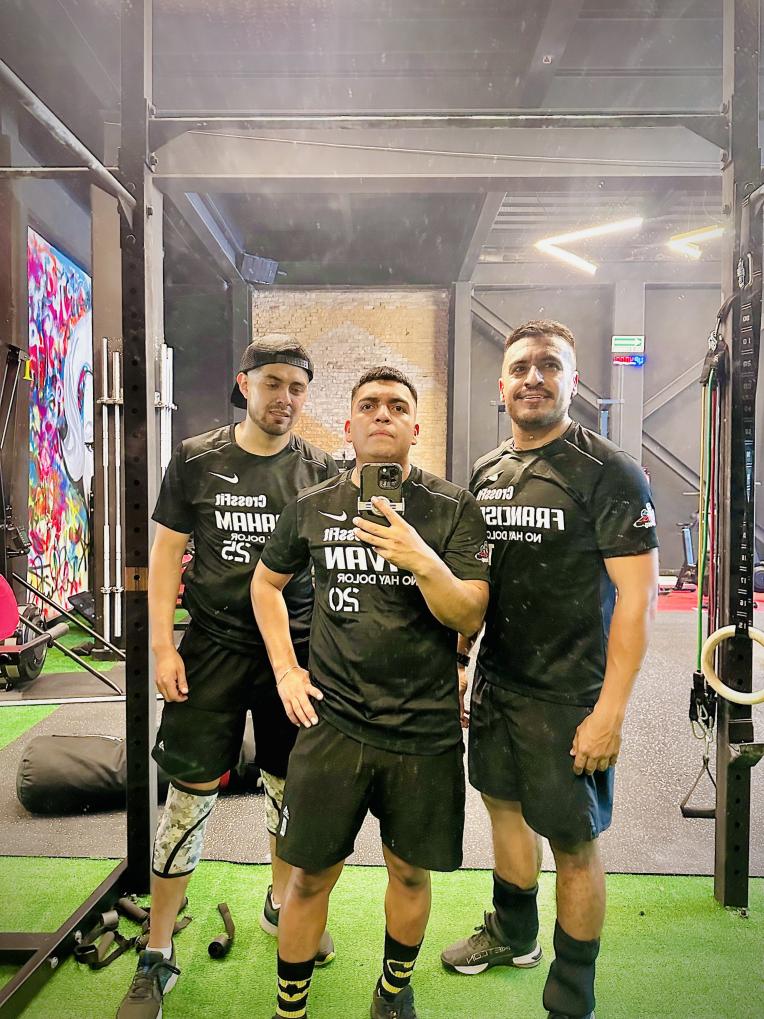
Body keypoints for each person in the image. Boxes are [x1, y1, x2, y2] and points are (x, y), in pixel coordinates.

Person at [252, 366, 490, 1019]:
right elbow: (265, 584)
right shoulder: (313, 505)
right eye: (369, 405)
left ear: (416, 427)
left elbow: (469, 612)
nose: (383, 414)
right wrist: (286, 669)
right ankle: (290, 1009)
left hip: (424, 730)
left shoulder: (452, 508)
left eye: (397, 406)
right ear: (349, 425)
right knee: (308, 877)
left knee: (409, 872)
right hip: (334, 725)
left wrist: (421, 559)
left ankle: (392, 992)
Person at [440, 320, 659, 1019]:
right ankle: (514, 932)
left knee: (572, 841)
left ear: (572, 381)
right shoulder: (486, 470)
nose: (533, 377)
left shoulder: (610, 471)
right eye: (521, 367)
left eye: (549, 365)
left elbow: (638, 599)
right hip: (499, 684)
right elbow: (477, 582)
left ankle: (571, 993)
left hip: (571, 696)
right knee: (502, 807)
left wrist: (610, 712)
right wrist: (464, 661)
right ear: (501, 384)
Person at [117, 335, 338, 1019]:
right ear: (245, 384)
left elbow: (329, 569)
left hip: (292, 652)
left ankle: (281, 903)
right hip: (211, 648)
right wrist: (163, 647)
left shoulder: (320, 469)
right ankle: (158, 950)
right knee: (189, 796)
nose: (285, 398)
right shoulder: (196, 458)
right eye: (273, 383)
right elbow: (165, 553)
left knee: (286, 785)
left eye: (297, 387)